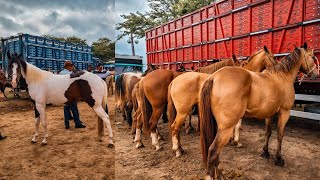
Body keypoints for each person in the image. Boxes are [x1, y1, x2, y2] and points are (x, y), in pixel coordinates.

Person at [59, 61, 86, 129]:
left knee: (66, 109)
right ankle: (77, 123)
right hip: (71, 94)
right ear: (68, 66)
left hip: (63, 94)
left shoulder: (60, 73)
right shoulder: (71, 74)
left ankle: (67, 124)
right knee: (74, 108)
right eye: (72, 66)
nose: (73, 67)